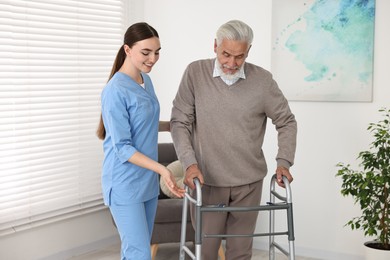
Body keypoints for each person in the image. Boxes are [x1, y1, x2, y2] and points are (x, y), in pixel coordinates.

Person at [170, 20, 297, 260]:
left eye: (239, 56)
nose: (231, 63)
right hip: (206, 180)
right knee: (205, 251)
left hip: (247, 183)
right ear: (215, 46)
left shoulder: (263, 81)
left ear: (248, 51)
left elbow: (286, 121)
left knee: (240, 252)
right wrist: (189, 163)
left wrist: (284, 162)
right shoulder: (195, 73)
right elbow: (180, 122)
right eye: (225, 54)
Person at [96, 22, 185, 260]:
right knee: (140, 254)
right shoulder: (115, 91)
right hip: (124, 183)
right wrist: (162, 170)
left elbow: (143, 124)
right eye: (146, 52)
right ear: (127, 50)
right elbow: (123, 147)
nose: (153, 58)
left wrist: (175, 125)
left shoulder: (145, 81)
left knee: (136, 250)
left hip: (146, 181)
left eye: (156, 52)